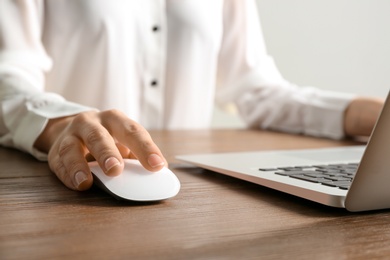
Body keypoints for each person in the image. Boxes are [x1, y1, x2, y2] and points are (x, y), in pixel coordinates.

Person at [0, 1, 383, 192]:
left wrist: (365, 112)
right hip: (69, 183)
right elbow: (8, 73)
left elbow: (255, 88)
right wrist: (61, 121)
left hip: (193, 189)